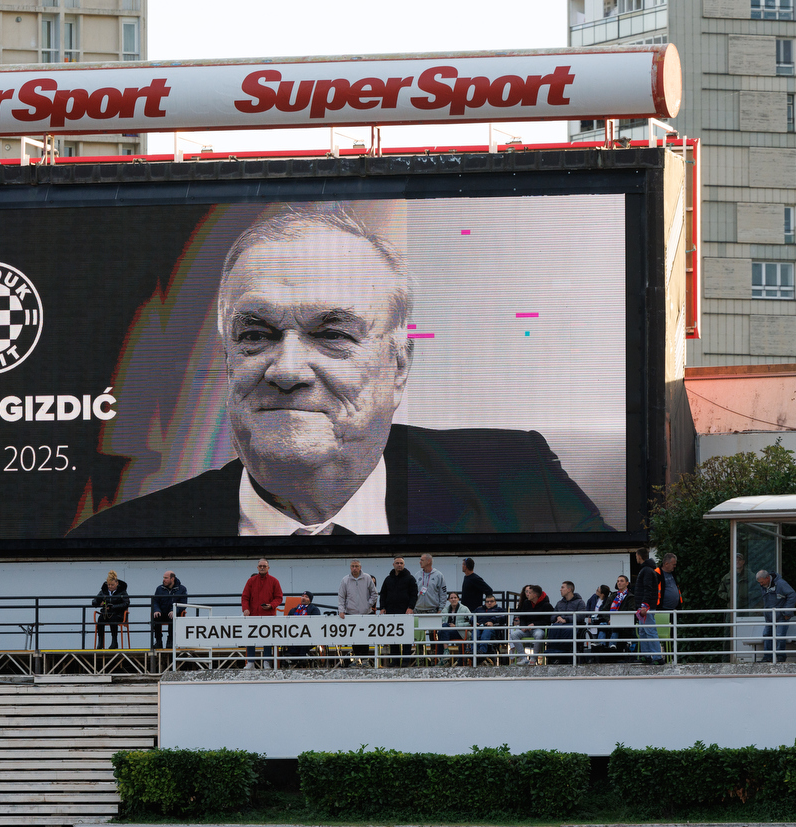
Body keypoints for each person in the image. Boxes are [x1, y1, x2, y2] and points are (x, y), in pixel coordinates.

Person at [68, 206, 609, 538]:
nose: (286, 370)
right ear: (226, 357)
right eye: (255, 335)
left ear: (398, 366)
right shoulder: (116, 538)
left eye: (332, 335)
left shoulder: (519, 485)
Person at [634, 553, 680, 664]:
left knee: (649, 630)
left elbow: (648, 589)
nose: (674, 567)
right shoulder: (651, 571)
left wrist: (644, 605)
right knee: (643, 631)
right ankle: (647, 655)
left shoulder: (647, 571)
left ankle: (657, 657)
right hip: (647, 606)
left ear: (639, 556)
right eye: (673, 564)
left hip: (646, 607)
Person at [241, 558, 284, 668]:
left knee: (268, 638)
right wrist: (245, 609)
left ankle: (267, 662)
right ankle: (250, 662)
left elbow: (279, 597)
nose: (262, 568)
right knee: (251, 637)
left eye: (264, 566)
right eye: (260, 566)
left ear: (268, 568)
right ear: (257, 567)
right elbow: (245, 597)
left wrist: (271, 605)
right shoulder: (251, 581)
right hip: (253, 614)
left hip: (268, 615)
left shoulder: (274, 581)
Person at [378, 557, 419, 660]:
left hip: (405, 612)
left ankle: (406, 660)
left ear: (404, 565)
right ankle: (395, 660)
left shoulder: (410, 578)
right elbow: (383, 594)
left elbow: (414, 595)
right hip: (391, 612)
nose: (399, 565)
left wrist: (410, 607)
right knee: (393, 637)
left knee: (406, 637)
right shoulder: (388, 579)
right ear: (393, 564)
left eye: (401, 563)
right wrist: (382, 607)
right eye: (397, 563)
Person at [755, 569, 796, 664]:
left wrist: (787, 612)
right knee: (767, 635)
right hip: (770, 615)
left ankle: (780, 657)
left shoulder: (781, 584)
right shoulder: (765, 585)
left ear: (767, 578)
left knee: (779, 636)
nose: (761, 584)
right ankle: (767, 657)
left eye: (762, 582)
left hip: (781, 615)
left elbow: (792, 595)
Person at [338, 559, 377, 662]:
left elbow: (374, 594)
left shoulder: (367, 578)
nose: (354, 568)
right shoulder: (345, 580)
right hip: (351, 613)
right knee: (354, 638)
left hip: (365, 613)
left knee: (365, 638)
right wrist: (341, 610)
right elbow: (341, 596)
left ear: (360, 567)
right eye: (352, 566)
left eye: (356, 566)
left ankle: (364, 660)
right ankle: (356, 660)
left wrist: (368, 605)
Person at [508, 585, 554, 662]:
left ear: (535, 595)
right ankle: (523, 658)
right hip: (527, 629)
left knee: (539, 635)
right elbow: (523, 616)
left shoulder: (546, 605)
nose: (527, 594)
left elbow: (547, 621)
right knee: (514, 634)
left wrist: (535, 625)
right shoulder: (526, 603)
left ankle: (534, 658)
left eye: (529, 592)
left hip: (538, 629)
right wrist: (523, 626)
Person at [412, 554, 446, 653]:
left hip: (432, 610)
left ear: (428, 561)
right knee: (419, 636)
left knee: (433, 636)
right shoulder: (417, 575)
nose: (419, 562)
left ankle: (433, 656)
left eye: (422, 560)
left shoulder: (438, 575)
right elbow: (413, 593)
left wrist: (440, 609)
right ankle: (420, 658)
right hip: (418, 610)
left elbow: (443, 594)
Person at [546, 580, 587, 661]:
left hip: (572, 625)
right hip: (559, 625)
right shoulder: (559, 603)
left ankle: (564, 653)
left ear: (569, 589)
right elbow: (552, 616)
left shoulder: (580, 602)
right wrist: (557, 617)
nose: (560, 590)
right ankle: (553, 652)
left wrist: (566, 619)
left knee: (568, 629)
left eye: (562, 587)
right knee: (553, 628)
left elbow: (581, 616)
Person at [149, 570, 188, 650]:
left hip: (174, 613)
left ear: (172, 579)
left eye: (166, 578)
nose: (164, 580)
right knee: (156, 617)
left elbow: (184, 604)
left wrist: (174, 610)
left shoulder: (182, 589)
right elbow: (155, 601)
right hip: (162, 612)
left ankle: (170, 640)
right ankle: (158, 641)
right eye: (163, 578)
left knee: (172, 617)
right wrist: (156, 610)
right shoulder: (159, 589)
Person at [92, 571, 130, 649]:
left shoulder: (122, 591)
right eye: (108, 585)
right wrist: (100, 603)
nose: (110, 586)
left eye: (112, 585)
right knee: (100, 620)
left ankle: (114, 641)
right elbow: (94, 601)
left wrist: (113, 606)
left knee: (113, 619)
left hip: (118, 613)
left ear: (117, 583)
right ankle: (100, 642)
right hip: (106, 613)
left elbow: (126, 603)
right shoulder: (103, 591)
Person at [436, 590, 473, 662]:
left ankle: (442, 658)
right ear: (449, 600)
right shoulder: (445, 610)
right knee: (443, 629)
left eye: (455, 597)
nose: (453, 599)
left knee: (442, 632)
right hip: (448, 632)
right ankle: (445, 654)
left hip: (461, 632)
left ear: (458, 599)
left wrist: (456, 626)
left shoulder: (464, 609)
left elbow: (471, 622)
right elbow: (441, 622)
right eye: (451, 598)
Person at [284, 591, 321, 660]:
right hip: (294, 634)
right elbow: (287, 622)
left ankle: (300, 658)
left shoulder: (314, 610)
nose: (303, 598)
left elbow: (316, 623)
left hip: (308, 634)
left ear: (310, 600)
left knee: (303, 640)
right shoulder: (293, 610)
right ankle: (294, 658)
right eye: (302, 596)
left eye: (306, 597)